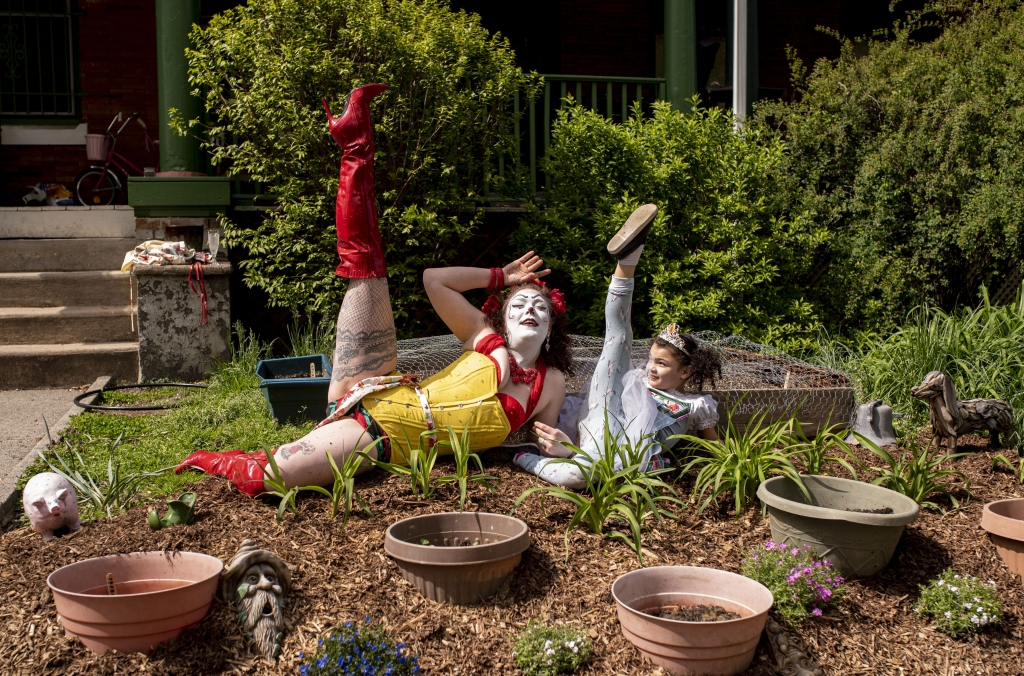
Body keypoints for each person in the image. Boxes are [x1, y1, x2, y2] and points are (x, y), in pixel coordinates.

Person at [176, 83, 572, 494]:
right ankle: (355, 141)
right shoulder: (483, 336)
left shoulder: (551, 383)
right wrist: (500, 277)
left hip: (378, 436)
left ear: (552, 327)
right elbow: (434, 280)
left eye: (540, 306)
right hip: (380, 383)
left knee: (271, 479)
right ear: (501, 318)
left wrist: (561, 448)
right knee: (365, 266)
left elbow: (540, 443)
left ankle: (220, 460)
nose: (529, 308)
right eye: (518, 303)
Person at [512, 203, 723, 489]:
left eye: (662, 364)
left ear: (685, 372)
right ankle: (628, 259)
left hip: (619, 460)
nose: (651, 368)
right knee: (619, 340)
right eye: (652, 360)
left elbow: (715, 451)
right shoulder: (635, 382)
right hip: (604, 418)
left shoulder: (696, 406)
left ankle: (524, 457)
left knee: (581, 476)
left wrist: (737, 464)